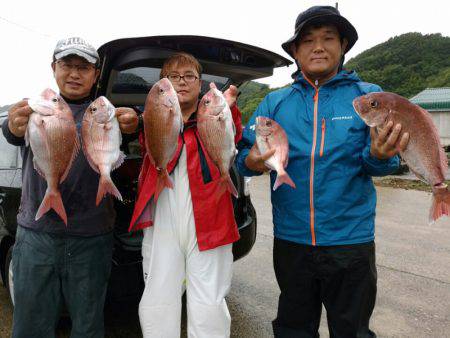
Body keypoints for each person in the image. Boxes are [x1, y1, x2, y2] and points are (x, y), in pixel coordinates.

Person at [236, 6, 409, 338]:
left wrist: (379, 154)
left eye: (328, 38)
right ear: (296, 52)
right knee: (293, 329)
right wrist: (252, 162)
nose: (318, 47)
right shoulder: (275, 103)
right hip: (292, 241)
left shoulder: (367, 99)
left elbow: (382, 163)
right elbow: (245, 153)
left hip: (351, 242)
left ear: (343, 46)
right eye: (308, 41)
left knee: (352, 330)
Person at [2, 37, 138, 338]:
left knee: (88, 326)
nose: (74, 74)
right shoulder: (35, 110)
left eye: (83, 67)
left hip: (92, 238)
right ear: (54, 68)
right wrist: (13, 125)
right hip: (37, 235)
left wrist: (133, 124)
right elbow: (13, 131)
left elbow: (124, 137)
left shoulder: (104, 114)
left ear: (96, 74)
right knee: (30, 327)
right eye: (67, 65)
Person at [129, 52, 243, 338]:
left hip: (211, 220)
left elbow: (234, 134)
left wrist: (227, 110)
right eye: (173, 77)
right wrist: (132, 119)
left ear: (201, 83)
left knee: (209, 303)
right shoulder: (152, 117)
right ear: (163, 84)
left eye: (189, 76)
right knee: (158, 296)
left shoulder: (216, 115)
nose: (181, 82)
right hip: (161, 219)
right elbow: (139, 132)